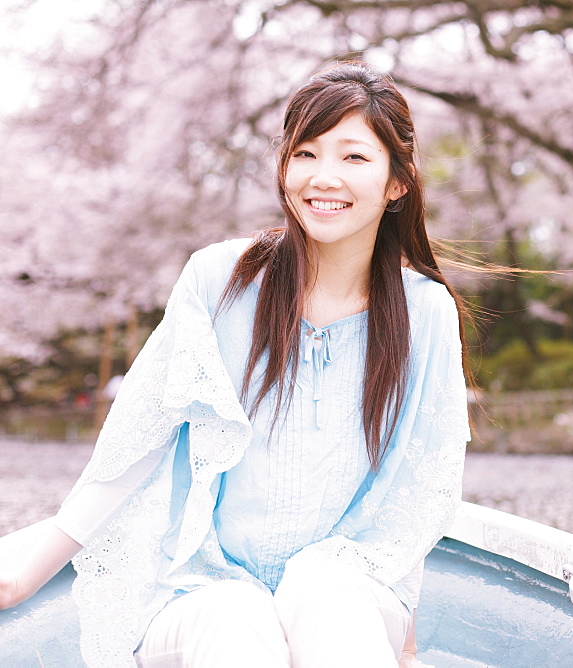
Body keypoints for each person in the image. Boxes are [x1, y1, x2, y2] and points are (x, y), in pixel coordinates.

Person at [0, 61, 471, 667]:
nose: (322, 177)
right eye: (304, 153)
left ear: (396, 182)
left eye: (353, 158)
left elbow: (417, 492)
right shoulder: (220, 280)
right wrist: (27, 575)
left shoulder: (425, 313)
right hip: (202, 584)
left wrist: (404, 644)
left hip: (345, 586)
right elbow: (135, 441)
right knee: (236, 617)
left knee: (321, 590)